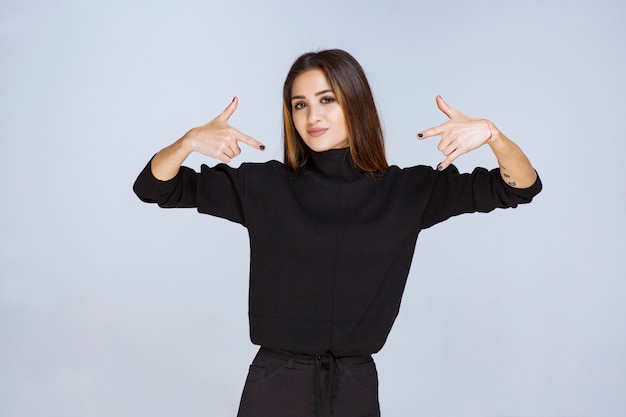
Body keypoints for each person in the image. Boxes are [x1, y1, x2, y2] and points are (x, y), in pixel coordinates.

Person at [133, 49, 541, 417]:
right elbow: (155, 187)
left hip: (354, 386)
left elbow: (519, 186)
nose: (313, 116)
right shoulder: (265, 186)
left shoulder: (410, 190)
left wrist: (494, 136)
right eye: (300, 105)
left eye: (327, 99)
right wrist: (187, 142)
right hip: (275, 384)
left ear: (355, 103)